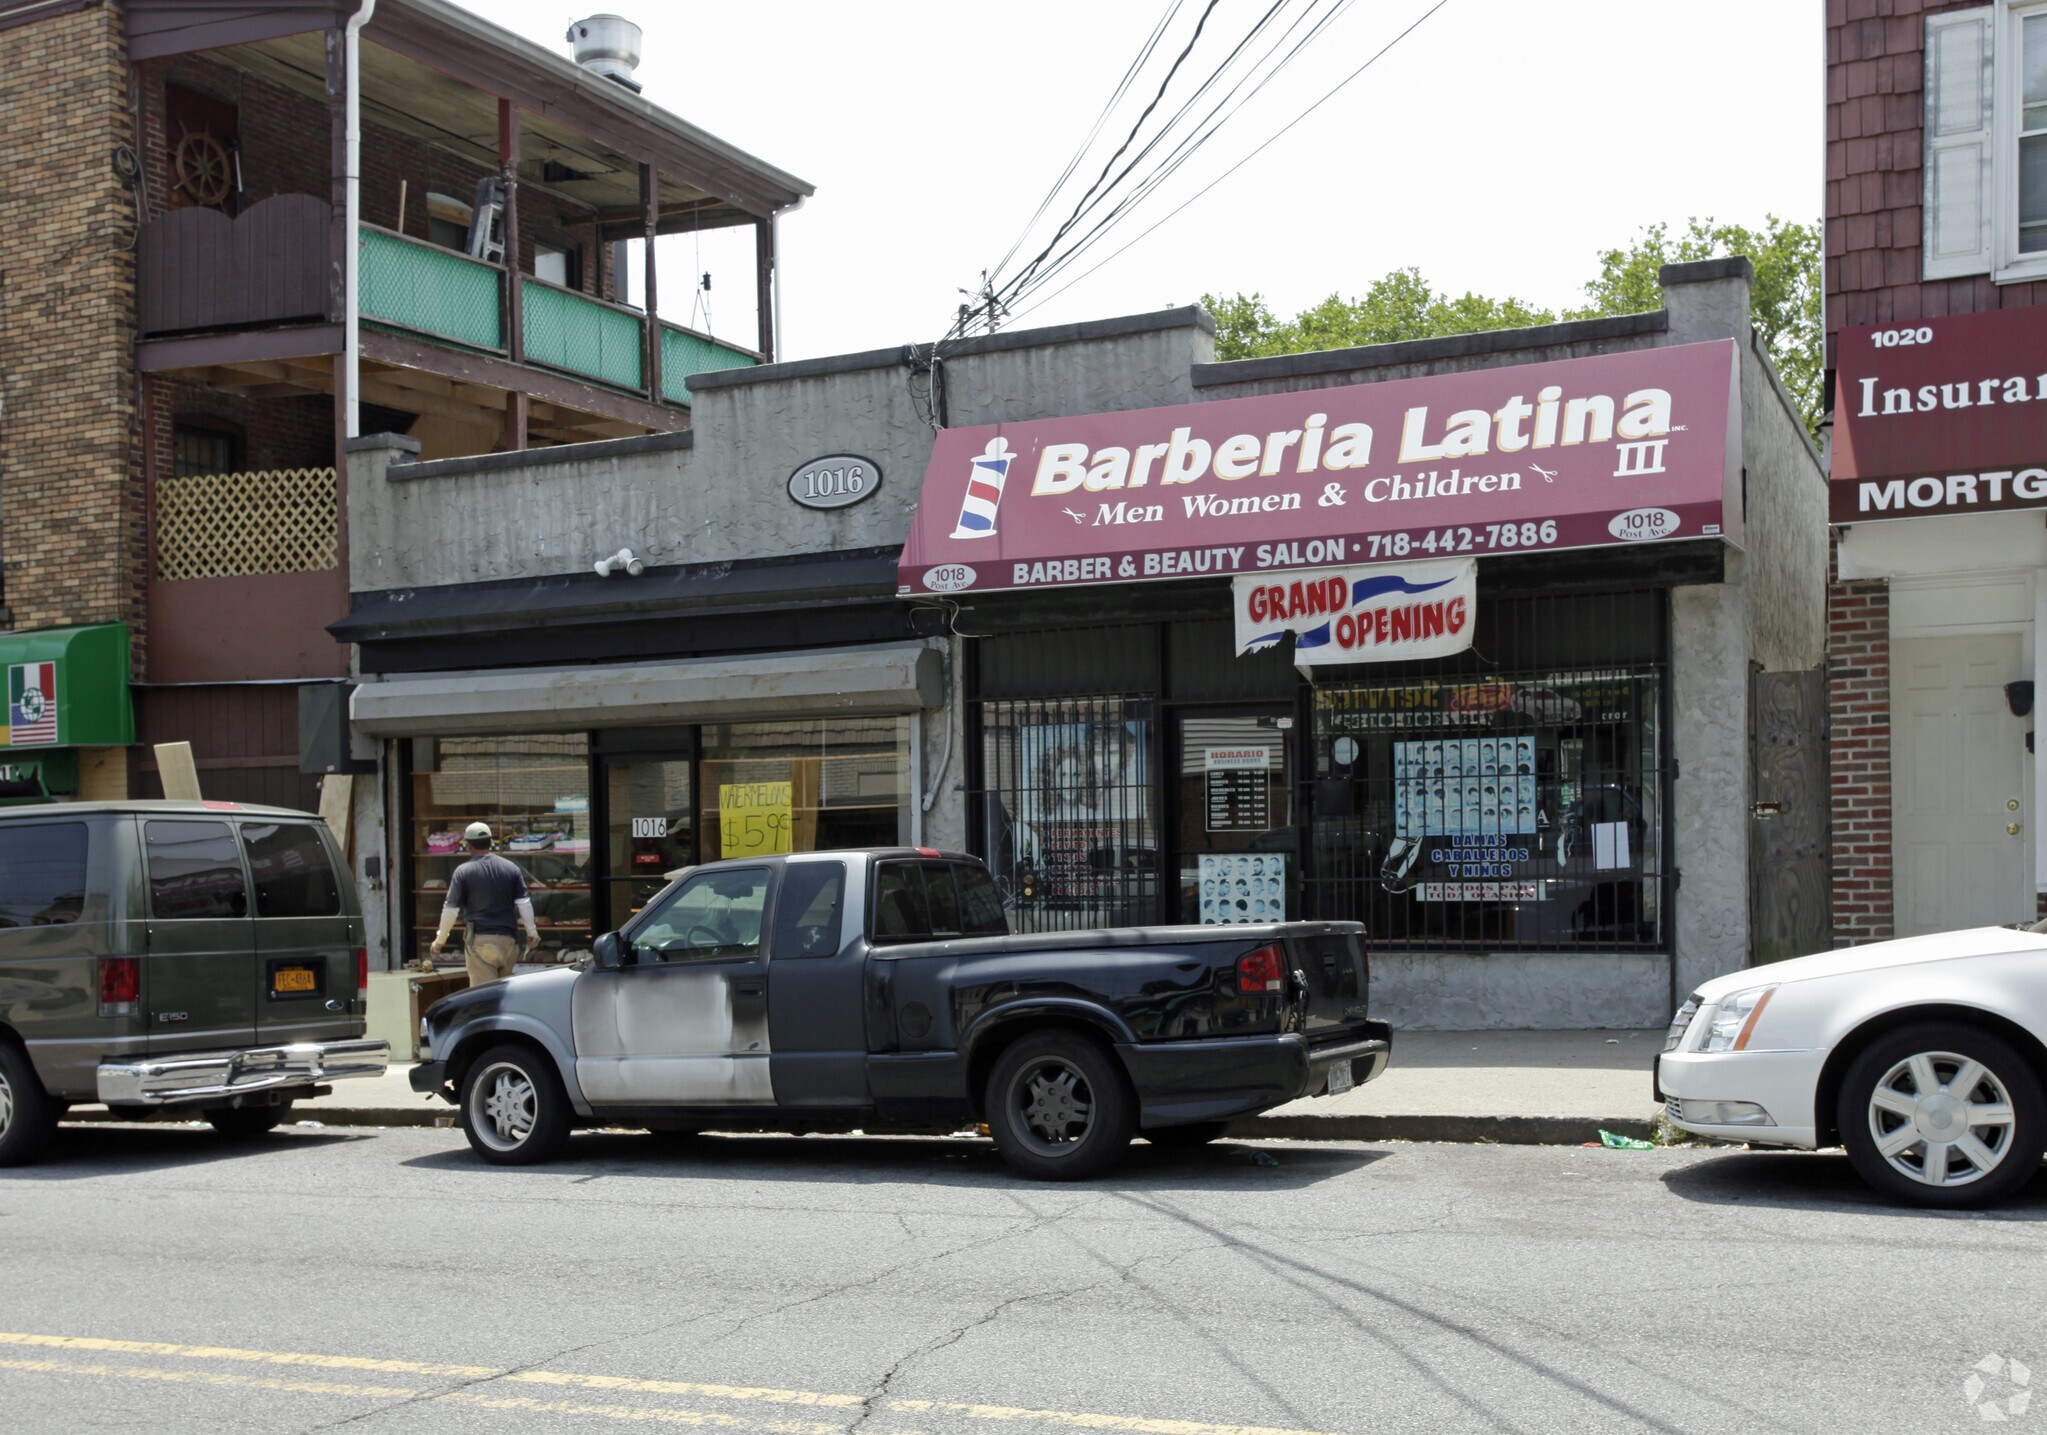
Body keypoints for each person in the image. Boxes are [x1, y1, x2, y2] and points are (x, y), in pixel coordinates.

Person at [429, 822, 540, 985]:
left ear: (468, 845)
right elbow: (524, 903)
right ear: (491, 842)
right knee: (504, 995)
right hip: (508, 942)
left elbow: (451, 910)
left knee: (483, 998)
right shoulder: (511, 868)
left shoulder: (463, 871)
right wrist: (532, 933)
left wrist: (440, 940)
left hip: (480, 942)